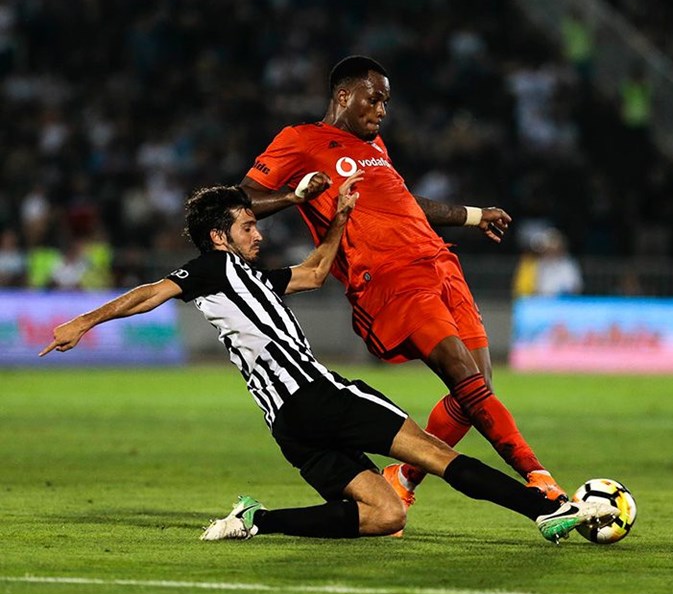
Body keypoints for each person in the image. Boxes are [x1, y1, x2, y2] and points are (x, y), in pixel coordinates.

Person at [39, 179, 617, 543]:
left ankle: (255, 520)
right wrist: (83, 322)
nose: (257, 235)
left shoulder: (252, 276)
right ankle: (542, 510)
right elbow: (150, 293)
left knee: (386, 515)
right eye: (247, 226)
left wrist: (339, 218)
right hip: (318, 395)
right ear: (218, 237)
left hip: (288, 425)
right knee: (436, 455)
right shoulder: (211, 268)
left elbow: (316, 272)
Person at [238, 55, 566, 530]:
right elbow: (240, 198)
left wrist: (473, 215)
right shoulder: (300, 140)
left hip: (439, 262)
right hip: (389, 275)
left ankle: (404, 479)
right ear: (344, 96)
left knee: (478, 387)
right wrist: (293, 197)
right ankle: (542, 483)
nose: (382, 110)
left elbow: (404, 203)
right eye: (375, 99)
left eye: (386, 102)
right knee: (464, 378)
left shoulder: (376, 146)